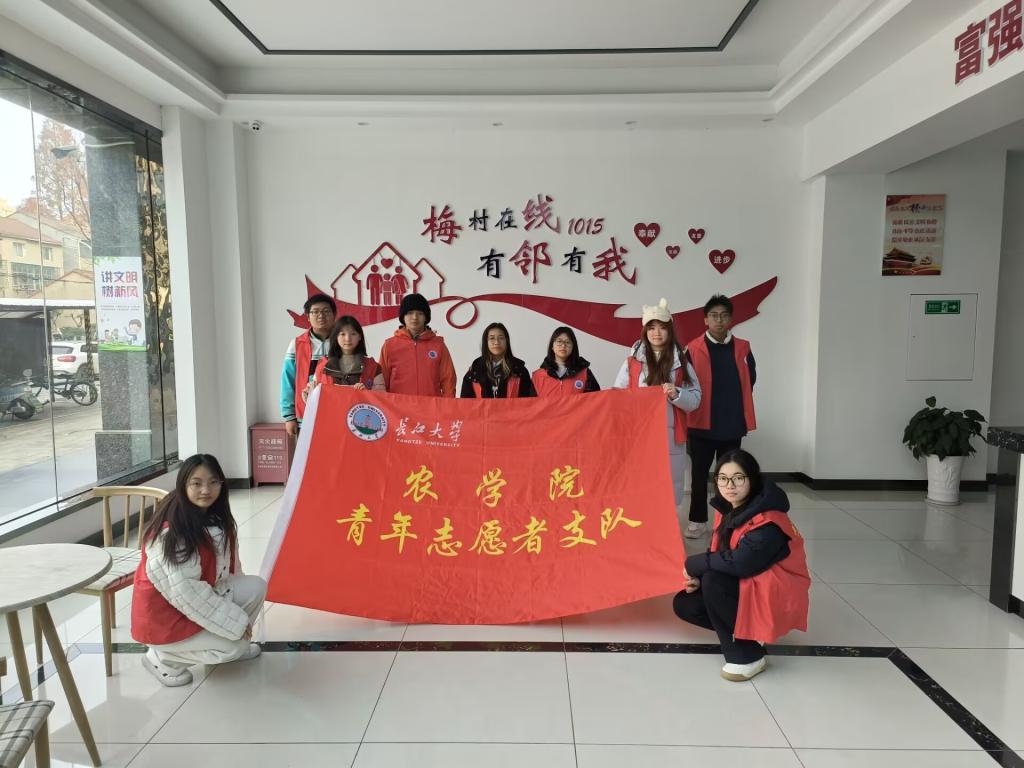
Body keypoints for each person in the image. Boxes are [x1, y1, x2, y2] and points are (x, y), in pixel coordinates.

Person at [672, 449, 809, 682]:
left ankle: (748, 656)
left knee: (714, 582)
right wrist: (699, 576)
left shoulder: (768, 521)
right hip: (754, 584)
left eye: (738, 478)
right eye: (723, 478)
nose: (729, 486)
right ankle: (750, 633)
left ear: (752, 479)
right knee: (686, 604)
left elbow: (742, 563)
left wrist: (695, 565)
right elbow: (723, 554)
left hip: (776, 596)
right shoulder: (731, 508)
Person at [131, 454, 266, 687]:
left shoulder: (214, 516)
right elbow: (187, 593)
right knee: (234, 645)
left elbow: (231, 569)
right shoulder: (171, 532)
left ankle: (218, 644)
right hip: (164, 619)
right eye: (197, 483)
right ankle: (162, 658)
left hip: (195, 599)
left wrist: (234, 620)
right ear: (183, 484)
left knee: (256, 587)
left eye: (213, 482)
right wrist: (235, 625)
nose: (206, 490)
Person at [613, 298, 701, 510]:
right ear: (645, 331)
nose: (657, 333)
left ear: (670, 330)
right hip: (638, 434)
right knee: (639, 486)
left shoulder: (681, 362)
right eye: (651, 328)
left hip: (670, 436)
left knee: (667, 489)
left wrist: (677, 393)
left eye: (662, 327)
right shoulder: (632, 363)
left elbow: (695, 399)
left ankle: (666, 530)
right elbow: (617, 397)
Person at [685, 294, 758, 538]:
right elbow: (685, 384)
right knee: (699, 475)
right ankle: (697, 520)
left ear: (731, 320)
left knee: (730, 475)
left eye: (724, 315)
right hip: (701, 424)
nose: (719, 320)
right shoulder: (692, 349)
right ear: (705, 320)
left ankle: (728, 520)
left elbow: (751, 379)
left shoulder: (743, 348)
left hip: (732, 423)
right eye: (714, 316)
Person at [378, 293, 457, 397]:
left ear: (426, 317)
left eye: (420, 313)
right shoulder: (389, 346)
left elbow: (448, 381)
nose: (415, 317)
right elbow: (380, 384)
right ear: (403, 317)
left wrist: (447, 404)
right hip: (398, 406)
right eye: (410, 313)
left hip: (430, 406)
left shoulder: (438, 345)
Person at [281, 293, 336, 437]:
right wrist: (289, 416)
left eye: (326, 311)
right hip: (305, 415)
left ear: (334, 315)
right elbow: (288, 380)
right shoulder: (297, 344)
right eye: (315, 312)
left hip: (338, 414)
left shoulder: (343, 341)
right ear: (307, 316)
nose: (321, 316)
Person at [305, 316, 385, 398]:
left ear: (360, 336)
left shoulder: (373, 367)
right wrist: (307, 394)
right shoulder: (322, 367)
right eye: (342, 334)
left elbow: (382, 398)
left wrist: (366, 394)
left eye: (353, 334)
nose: (348, 339)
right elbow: (314, 399)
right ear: (336, 336)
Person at [461, 322, 537, 398]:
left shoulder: (519, 370)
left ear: (507, 341)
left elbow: (529, 402)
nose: (496, 342)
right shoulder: (474, 370)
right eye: (492, 338)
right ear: (486, 342)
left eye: (501, 338)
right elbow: (465, 402)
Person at [532, 326, 600, 396]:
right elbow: (532, 402)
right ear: (552, 346)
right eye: (559, 341)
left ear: (573, 347)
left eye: (567, 342)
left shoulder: (585, 374)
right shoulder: (538, 376)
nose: (563, 345)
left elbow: (595, 399)